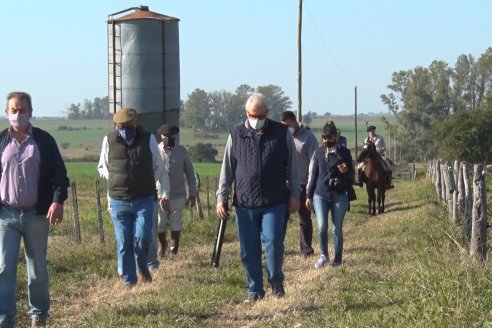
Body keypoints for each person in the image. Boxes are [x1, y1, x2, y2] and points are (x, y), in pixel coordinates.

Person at [216, 93, 300, 301]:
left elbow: (293, 167)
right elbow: (227, 169)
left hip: (274, 200)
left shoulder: (281, 133)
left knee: (273, 241)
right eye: (253, 115)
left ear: (267, 114)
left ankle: (276, 282)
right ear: (247, 113)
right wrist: (221, 197)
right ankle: (255, 289)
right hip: (245, 203)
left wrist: (295, 194)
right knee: (248, 248)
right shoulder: (236, 134)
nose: (257, 118)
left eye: (261, 115)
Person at [0, 91, 70, 328]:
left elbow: (60, 174)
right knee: (4, 268)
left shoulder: (44, 140)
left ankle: (38, 313)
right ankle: (4, 317)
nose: (18, 114)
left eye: (22, 110)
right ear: (6, 112)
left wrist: (57, 200)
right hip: (6, 214)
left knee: (37, 267)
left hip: (36, 214)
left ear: (31, 112)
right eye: (13, 110)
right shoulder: (1, 142)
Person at [97, 107, 170, 287]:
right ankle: (129, 281)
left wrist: (146, 182)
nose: (125, 129)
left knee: (144, 236)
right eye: (121, 126)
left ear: (135, 123)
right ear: (116, 126)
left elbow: (158, 166)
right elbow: (102, 166)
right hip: (118, 199)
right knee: (124, 243)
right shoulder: (109, 140)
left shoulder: (148, 139)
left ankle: (142, 265)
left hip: (143, 199)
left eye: (128, 125)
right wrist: (114, 178)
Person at [148, 124, 197, 266]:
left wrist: (192, 193)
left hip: (178, 194)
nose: (168, 139)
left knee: (176, 223)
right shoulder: (155, 151)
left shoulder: (182, 152)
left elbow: (190, 173)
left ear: (175, 136)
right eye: (165, 137)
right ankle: (162, 246)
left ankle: (174, 250)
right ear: (161, 137)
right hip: (159, 195)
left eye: (171, 137)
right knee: (160, 223)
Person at [306, 121, 353, 269]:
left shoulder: (345, 153)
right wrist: (308, 195)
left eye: (330, 138)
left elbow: (352, 175)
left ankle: (338, 258)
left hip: (339, 194)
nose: (327, 140)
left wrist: (346, 171)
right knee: (321, 226)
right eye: (324, 138)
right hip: (320, 194)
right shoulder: (319, 152)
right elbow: (313, 175)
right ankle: (323, 256)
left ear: (336, 137)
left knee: (336, 228)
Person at [280, 110, 318, 257]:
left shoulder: (308, 138)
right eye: (284, 126)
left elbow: (314, 161)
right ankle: (279, 249)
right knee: (281, 218)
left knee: (305, 219)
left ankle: (306, 249)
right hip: (285, 184)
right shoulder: (282, 137)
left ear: (294, 121)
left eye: (288, 125)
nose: (286, 128)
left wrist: (310, 185)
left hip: (303, 184)